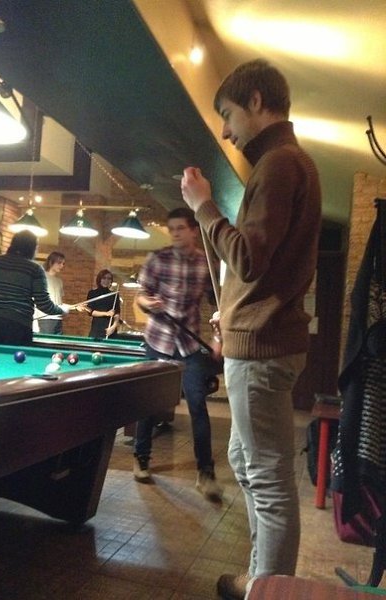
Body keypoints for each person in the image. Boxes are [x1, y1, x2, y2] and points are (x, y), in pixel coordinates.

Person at [180, 59, 321, 599]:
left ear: (256, 101)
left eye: (227, 114)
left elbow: (248, 258)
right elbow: (264, 267)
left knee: (269, 482)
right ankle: (262, 576)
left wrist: (204, 207)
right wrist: (234, 310)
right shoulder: (285, 163)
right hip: (259, 339)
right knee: (246, 462)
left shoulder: (280, 163)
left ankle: (269, 590)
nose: (225, 130)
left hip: (261, 352)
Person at [132, 206, 223, 502]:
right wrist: (149, 304)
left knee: (198, 406)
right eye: (171, 229)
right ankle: (141, 459)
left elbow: (219, 306)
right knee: (148, 403)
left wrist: (219, 337)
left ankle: (205, 474)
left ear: (194, 230)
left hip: (189, 345)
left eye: (180, 228)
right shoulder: (157, 259)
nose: (174, 234)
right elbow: (141, 296)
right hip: (157, 341)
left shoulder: (207, 264)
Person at [0, 231, 70, 346]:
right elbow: (43, 304)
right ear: (32, 248)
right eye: (36, 247)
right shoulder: (34, 269)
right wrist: (62, 310)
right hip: (18, 326)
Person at [34, 251, 66, 335]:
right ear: (51, 262)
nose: (62, 266)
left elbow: (59, 303)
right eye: (59, 263)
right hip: (45, 318)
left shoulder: (59, 281)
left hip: (58, 318)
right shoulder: (41, 278)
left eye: (63, 263)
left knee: (58, 342)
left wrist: (75, 307)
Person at [86, 269, 120, 338]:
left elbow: (117, 313)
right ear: (99, 279)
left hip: (110, 329)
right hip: (97, 328)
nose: (106, 280)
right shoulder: (92, 293)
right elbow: (90, 312)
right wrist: (106, 313)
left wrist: (113, 327)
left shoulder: (114, 295)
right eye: (104, 278)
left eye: (109, 278)